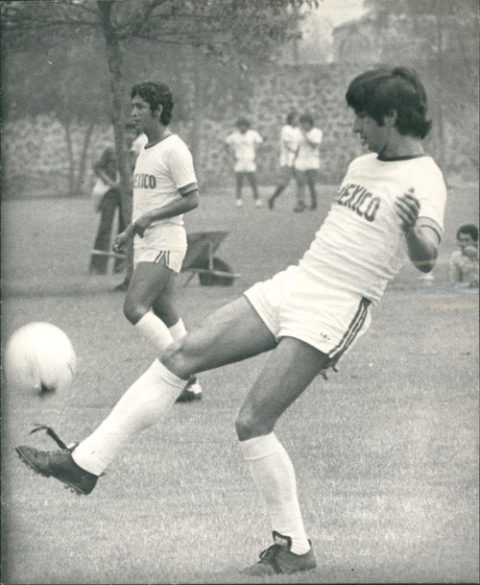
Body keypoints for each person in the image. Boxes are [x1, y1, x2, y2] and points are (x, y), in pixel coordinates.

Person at [16, 66, 447, 576]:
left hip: (337, 307)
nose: (355, 128)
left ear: (390, 117)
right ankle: (85, 463)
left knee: (252, 422)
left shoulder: (424, 178)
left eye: (362, 119)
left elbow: (426, 257)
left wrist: (412, 230)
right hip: (298, 281)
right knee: (179, 355)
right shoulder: (361, 165)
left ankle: (295, 547)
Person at [115, 81, 203, 401]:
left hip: (165, 241)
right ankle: (192, 381)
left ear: (158, 110)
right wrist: (130, 230)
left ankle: (182, 372)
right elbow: (148, 202)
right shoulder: (145, 148)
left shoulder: (174, 149)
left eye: (140, 106)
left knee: (133, 307)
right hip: (146, 241)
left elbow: (192, 198)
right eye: (133, 106)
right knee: (163, 307)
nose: (134, 112)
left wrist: (151, 218)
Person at [225, 118, 264, 208]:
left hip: (250, 161)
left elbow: (260, 143)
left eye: (244, 126)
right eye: (240, 126)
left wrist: (256, 153)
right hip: (239, 161)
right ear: (238, 127)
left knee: (253, 181)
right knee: (239, 182)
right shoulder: (234, 136)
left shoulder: (253, 134)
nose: (242, 128)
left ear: (247, 126)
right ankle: (239, 200)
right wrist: (232, 155)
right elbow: (226, 145)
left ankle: (257, 200)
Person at [268, 111, 300, 210]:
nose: (297, 120)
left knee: (300, 180)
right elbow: (286, 145)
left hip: (296, 159)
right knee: (284, 183)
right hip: (287, 160)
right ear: (290, 120)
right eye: (295, 118)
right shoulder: (286, 129)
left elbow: (299, 143)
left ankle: (300, 203)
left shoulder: (297, 130)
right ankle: (272, 199)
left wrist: (299, 153)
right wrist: (294, 151)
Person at [293, 113, 323, 212]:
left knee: (311, 183)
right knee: (300, 182)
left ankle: (314, 201)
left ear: (310, 123)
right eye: (302, 123)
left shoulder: (317, 132)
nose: (303, 126)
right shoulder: (298, 133)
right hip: (301, 159)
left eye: (305, 123)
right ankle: (300, 203)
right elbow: (297, 147)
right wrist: (294, 159)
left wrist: (305, 136)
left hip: (312, 160)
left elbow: (314, 146)